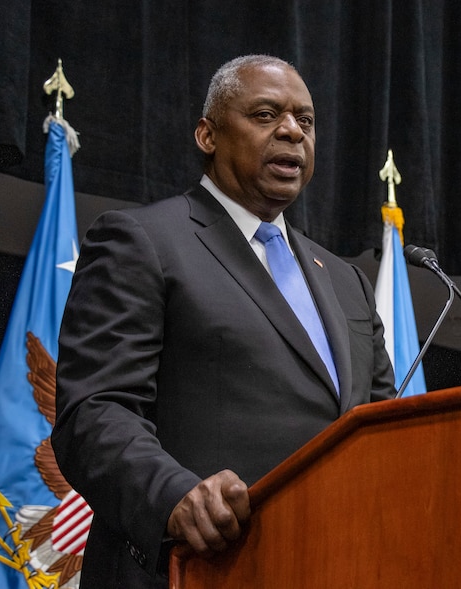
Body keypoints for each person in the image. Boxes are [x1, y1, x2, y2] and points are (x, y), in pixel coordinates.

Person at [52, 54, 396, 588]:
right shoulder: (144, 242)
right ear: (207, 135)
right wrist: (173, 496)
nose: (291, 131)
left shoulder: (346, 282)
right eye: (265, 115)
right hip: (196, 569)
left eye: (305, 121)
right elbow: (95, 411)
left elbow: (385, 434)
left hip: (331, 567)